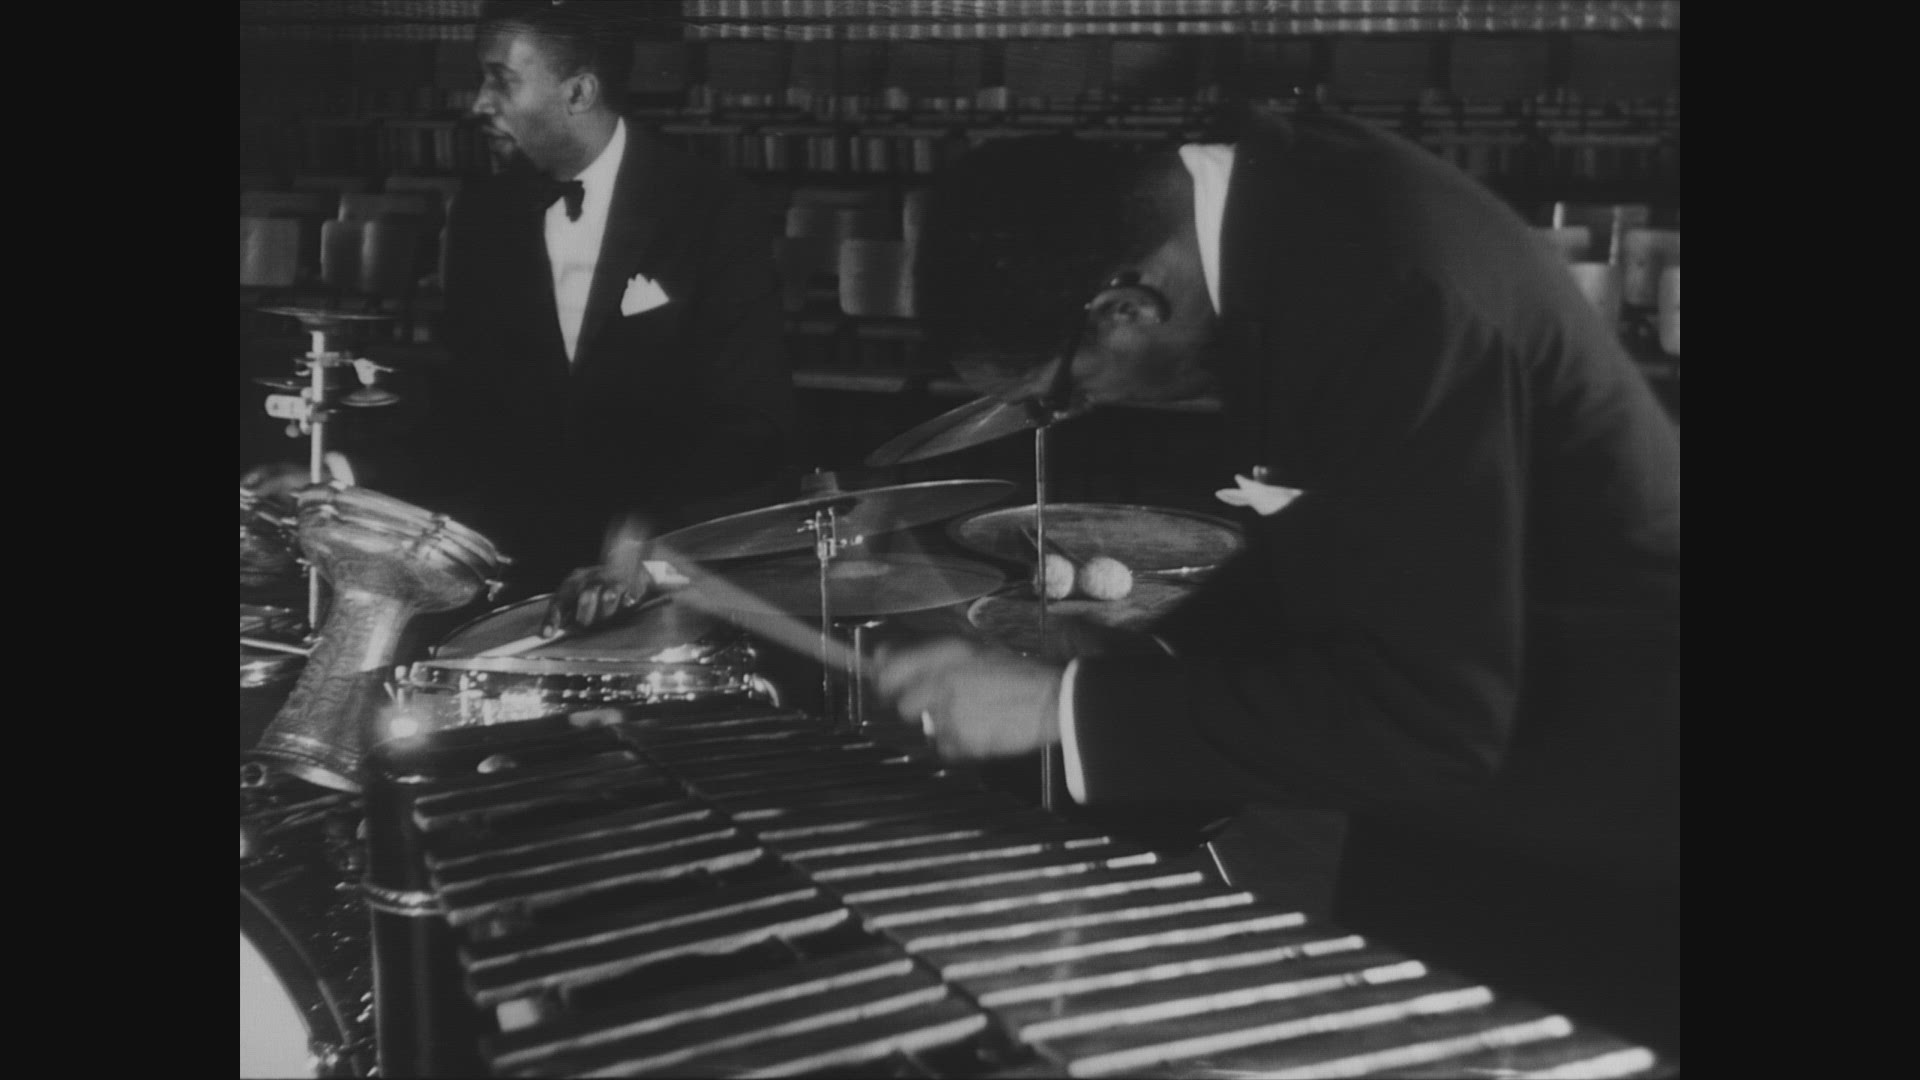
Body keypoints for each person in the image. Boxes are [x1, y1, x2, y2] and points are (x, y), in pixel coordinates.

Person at [873, 111, 1681, 1056]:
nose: (1084, 408)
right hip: (1481, 736)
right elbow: (1356, 531)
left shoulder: (1389, 299)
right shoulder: (1280, 220)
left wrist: (1062, 709)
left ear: (1126, 307)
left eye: (1065, 391)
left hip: (1598, 786)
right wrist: (1136, 657)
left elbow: (1431, 718)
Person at [245, 1, 795, 633]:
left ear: (579, 92)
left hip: (668, 577)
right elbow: (467, 410)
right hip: (520, 565)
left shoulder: (712, 206)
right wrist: (340, 477)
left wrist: (648, 536)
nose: (479, 103)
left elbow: (753, 421)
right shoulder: (483, 214)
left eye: (501, 80)